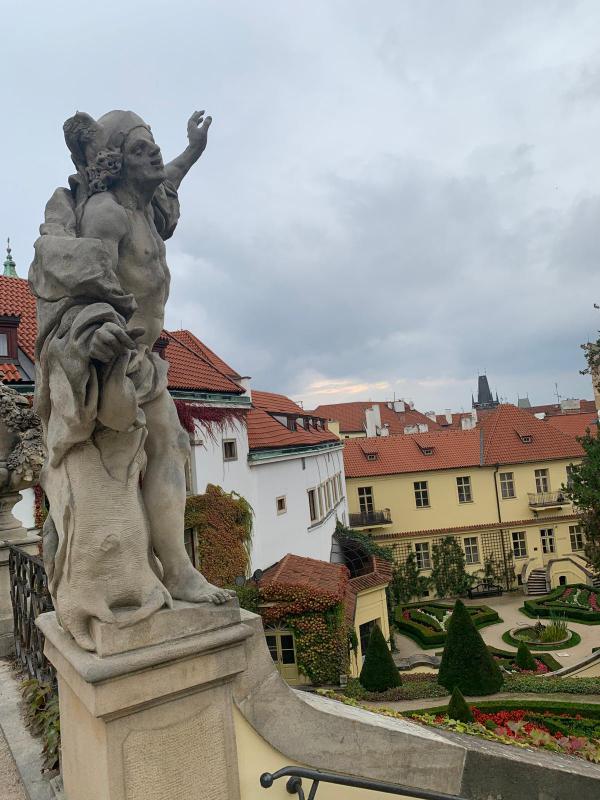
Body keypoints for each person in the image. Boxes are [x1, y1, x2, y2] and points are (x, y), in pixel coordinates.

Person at [29, 110, 232, 651]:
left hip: (142, 357)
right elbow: (81, 284)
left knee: (171, 445)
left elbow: (170, 176)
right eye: (141, 149)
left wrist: (194, 149)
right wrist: (94, 335)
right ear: (117, 162)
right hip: (112, 361)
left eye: (154, 144)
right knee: (153, 452)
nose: (155, 154)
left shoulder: (148, 207)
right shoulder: (107, 214)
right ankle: (160, 573)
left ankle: (175, 570)